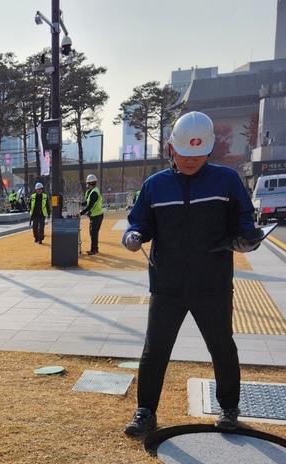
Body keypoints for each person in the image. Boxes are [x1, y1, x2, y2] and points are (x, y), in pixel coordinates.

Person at [121, 111, 263, 438]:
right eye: (185, 154)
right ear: (172, 149)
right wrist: (133, 235)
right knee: (155, 350)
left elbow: (243, 219)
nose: (190, 161)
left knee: (222, 347)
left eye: (198, 155)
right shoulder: (155, 186)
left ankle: (229, 408)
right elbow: (139, 221)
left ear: (209, 150)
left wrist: (245, 239)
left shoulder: (225, 181)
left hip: (212, 284)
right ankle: (145, 411)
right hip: (167, 285)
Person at [80, 173, 103, 255]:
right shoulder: (93, 191)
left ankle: (94, 249)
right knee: (93, 233)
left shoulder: (93, 193)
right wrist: (80, 203)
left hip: (96, 216)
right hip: (96, 215)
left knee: (93, 233)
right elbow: (88, 202)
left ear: (88, 183)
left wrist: (81, 213)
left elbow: (90, 206)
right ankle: (94, 248)